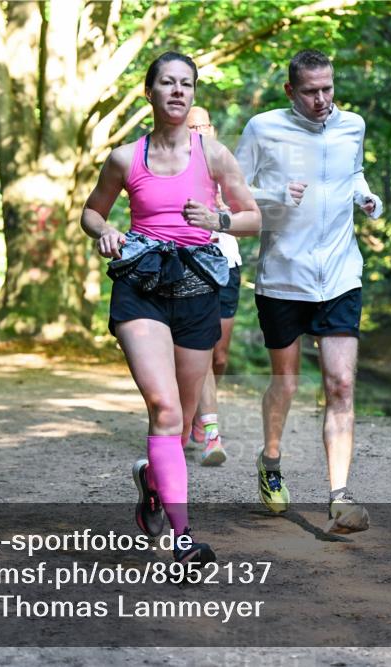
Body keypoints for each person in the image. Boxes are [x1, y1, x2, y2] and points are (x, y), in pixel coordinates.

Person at [81, 52, 260, 564]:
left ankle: (154, 488)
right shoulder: (125, 158)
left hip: (198, 289)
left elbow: (253, 218)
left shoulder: (214, 155)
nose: (178, 90)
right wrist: (106, 230)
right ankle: (182, 540)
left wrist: (218, 220)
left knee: (180, 425)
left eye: (186, 83)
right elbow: (91, 212)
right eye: (167, 82)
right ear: (150, 92)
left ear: (193, 93)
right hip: (141, 286)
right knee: (164, 409)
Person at [234, 49, 383, 533]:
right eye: (311, 91)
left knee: (340, 384)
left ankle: (340, 496)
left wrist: (365, 196)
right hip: (283, 277)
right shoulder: (263, 129)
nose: (322, 100)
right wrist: (274, 197)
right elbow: (231, 193)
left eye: (328, 88)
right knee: (288, 383)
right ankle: (271, 462)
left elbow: (353, 173)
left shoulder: (352, 126)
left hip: (340, 275)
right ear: (290, 91)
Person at [185, 106, 242, 467]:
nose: (199, 131)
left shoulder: (227, 165)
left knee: (219, 356)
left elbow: (249, 216)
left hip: (228, 264)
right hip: (193, 265)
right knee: (203, 350)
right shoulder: (175, 167)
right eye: (192, 126)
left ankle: (199, 410)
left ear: (213, 128)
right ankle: (209, 429)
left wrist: (224, 214)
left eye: (204, 125)